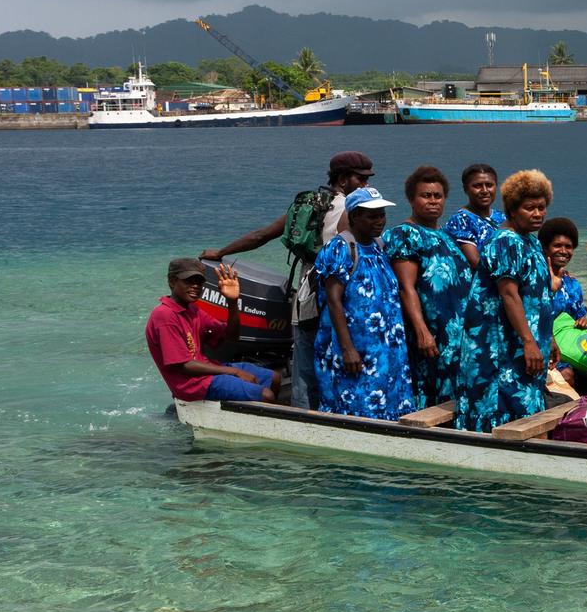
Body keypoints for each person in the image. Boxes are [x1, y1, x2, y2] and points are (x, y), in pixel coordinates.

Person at [202, 149, 373, 409]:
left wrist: (222, 251)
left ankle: (301, 413)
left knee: (304, 364)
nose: (366, 185)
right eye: (360, 179)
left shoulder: (308, 205)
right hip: (334, 297)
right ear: (342, 180)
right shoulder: (349, 211)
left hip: (305, 297)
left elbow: (261, 235)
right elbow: (354, 256)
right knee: (334, 359)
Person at [453, 169, 554, 432]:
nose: (538, 214)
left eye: (542, 208)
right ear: (511, 210)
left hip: (526, 340)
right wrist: (529, 341)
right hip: (502, 346)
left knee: (525, 403)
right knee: (501, 406)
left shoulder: (530, 241)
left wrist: (548, 336)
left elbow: (537, 297)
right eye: (529, 208)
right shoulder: (505, 241)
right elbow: (509, 294)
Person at [314, 186, 414, 420]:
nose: (380, 220)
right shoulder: (340, 248)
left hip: (386, 350)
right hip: (356, 350)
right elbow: (334, 301)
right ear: (355, 216)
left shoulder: (379, 246)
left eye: (382, 214)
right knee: (356, 407)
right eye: (372, 215)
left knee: (389, 407)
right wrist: (348, 350)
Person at [383, 165, 474, 410]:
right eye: (426, 196)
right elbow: (406, 287)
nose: (433, 201)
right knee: (430, 395)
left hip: (456, 336)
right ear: (411, 199)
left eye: (438, 196)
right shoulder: (405, 235)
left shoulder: (447, 236)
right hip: (430, 335)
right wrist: (422, 330)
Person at [146, 257, 276, 402]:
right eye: (188, 281)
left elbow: (231, 336)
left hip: (208, 370)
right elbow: (183, 365)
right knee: (266, 395)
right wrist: (234, 372)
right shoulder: (164, 315)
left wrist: (232, 302)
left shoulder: (192, 310)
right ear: (172, 281)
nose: (195, 286)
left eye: (199, 282)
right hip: (191, 385)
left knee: (274, 378)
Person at [445, 163, 503, 268]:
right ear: (465, 189)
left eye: (489, 185)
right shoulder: (461, 220)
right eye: (477, 186)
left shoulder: (502, 217)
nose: (485, 191)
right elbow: (476, 262)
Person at [540, 217, 587, 327]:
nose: (563, 251)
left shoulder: (572, 285)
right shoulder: (536, 280)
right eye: (557, 245)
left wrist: (584, 322)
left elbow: (578, 316)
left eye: (568, 247)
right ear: (545, 248)